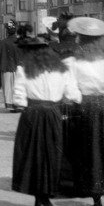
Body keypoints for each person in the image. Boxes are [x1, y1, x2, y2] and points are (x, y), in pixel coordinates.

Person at [11, 33, 82, 206]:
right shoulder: (62, 69)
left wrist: (27, 101)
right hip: (53, 113)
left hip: (32, 114)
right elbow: (74, 95)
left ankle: (38, 196)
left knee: (32, 154)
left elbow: (18, 99)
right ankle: (47, 193)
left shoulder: (24, 70)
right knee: (51, 153)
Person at [62, 17, 104, 206]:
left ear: (80, 39)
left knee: (91, 150)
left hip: (87, 107)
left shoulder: (72, 61)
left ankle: (96, 195)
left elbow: (70, 91)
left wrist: (81, 101)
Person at [0, 20, 21, 112]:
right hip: (18, 67)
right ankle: (18, 105)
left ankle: (10, 105)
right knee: (18, 86)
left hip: (6, 67)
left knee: (7, 87)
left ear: (7, 31)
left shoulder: (3, 42)